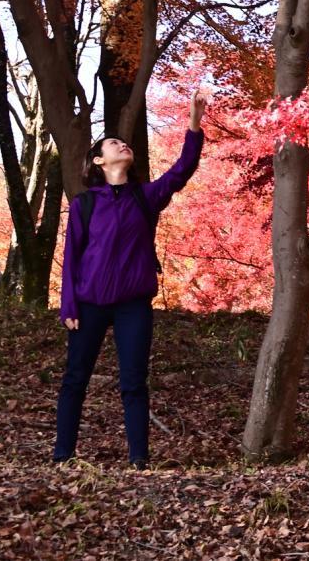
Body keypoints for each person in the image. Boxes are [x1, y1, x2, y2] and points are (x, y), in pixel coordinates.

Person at [54, 94, 206, 468]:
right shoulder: (84, 203)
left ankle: (139, 460)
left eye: (124, 142)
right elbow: (72, 255)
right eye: (113, 143)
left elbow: (181, 171)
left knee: (134, 382)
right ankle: (62, 456)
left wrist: (194, 125)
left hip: (133, 305)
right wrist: (68, 304)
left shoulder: (146, 197)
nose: (123, 144)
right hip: (88, 303)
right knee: (76, 379)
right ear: (99, 160)